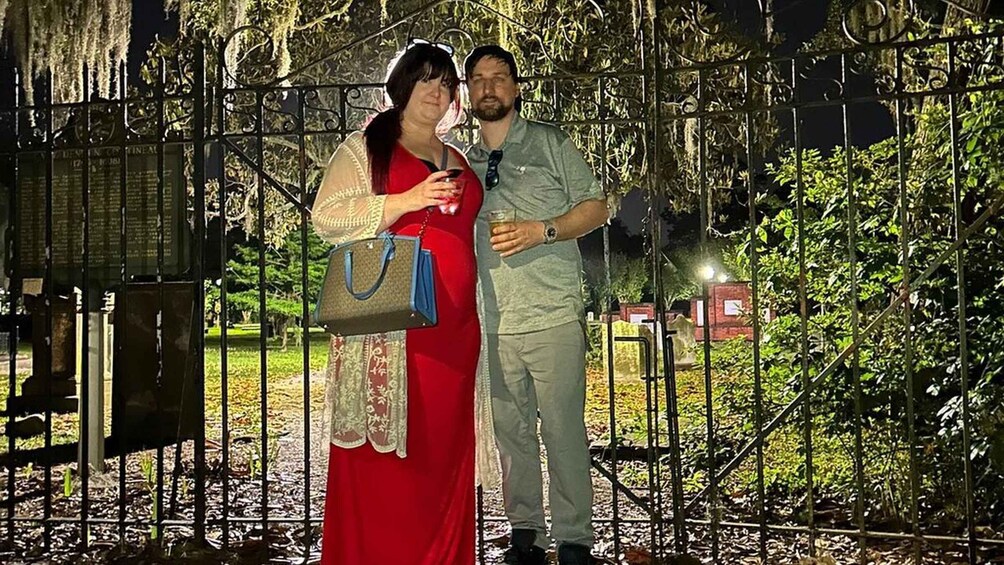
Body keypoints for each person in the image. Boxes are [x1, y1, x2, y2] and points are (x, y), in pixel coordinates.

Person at [311, 41, 486, 565]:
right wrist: (408, 200)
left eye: (447, 83)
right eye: (427, 79)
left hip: (456, 332)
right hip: (392, 329)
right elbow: (326, 218)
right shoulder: (366, 147)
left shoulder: (459, 158)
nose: (437, 91)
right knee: (386, 459)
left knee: (444, 455)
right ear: (402, 86)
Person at [464, 45, 610, 565]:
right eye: (478, 79)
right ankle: (525, 533)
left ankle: (574, 539)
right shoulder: (462, 161)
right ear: (468, 91)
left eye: (499, 77)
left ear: (516, 87)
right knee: (512, 437)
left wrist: (542, 231)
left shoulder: (550, 142)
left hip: (552, 315)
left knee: (563, 432)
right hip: (491, 320)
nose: (488, 87)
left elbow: (597, 207)